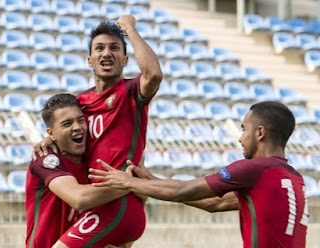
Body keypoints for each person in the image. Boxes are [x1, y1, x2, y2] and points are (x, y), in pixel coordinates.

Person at [90, 101, 309, 248]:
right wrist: (150, 180)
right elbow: (215, 203)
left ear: (260, 133)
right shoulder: (292, 178)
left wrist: (126, 182)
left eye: (244, 129)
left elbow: (182, 191)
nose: (240, 138)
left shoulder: (254, 169)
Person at [33, 15, 163, 247]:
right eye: (99, 48)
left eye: (114, 48)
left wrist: (129, 29)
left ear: (125, 60)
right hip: (97, 203)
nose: (106, 53)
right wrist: (49, 138)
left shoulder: (130, 92)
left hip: (118, 206)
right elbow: (66, 127)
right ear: (89, 60)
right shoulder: (80, 102)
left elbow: (153, 74)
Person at [26, 94, 130, 248]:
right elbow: (79, 198)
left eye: (81, 120)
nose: (77, 127)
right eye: (67, 123)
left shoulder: (94, 161)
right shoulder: (44, 159)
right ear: (51, 133)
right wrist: (129, 184)